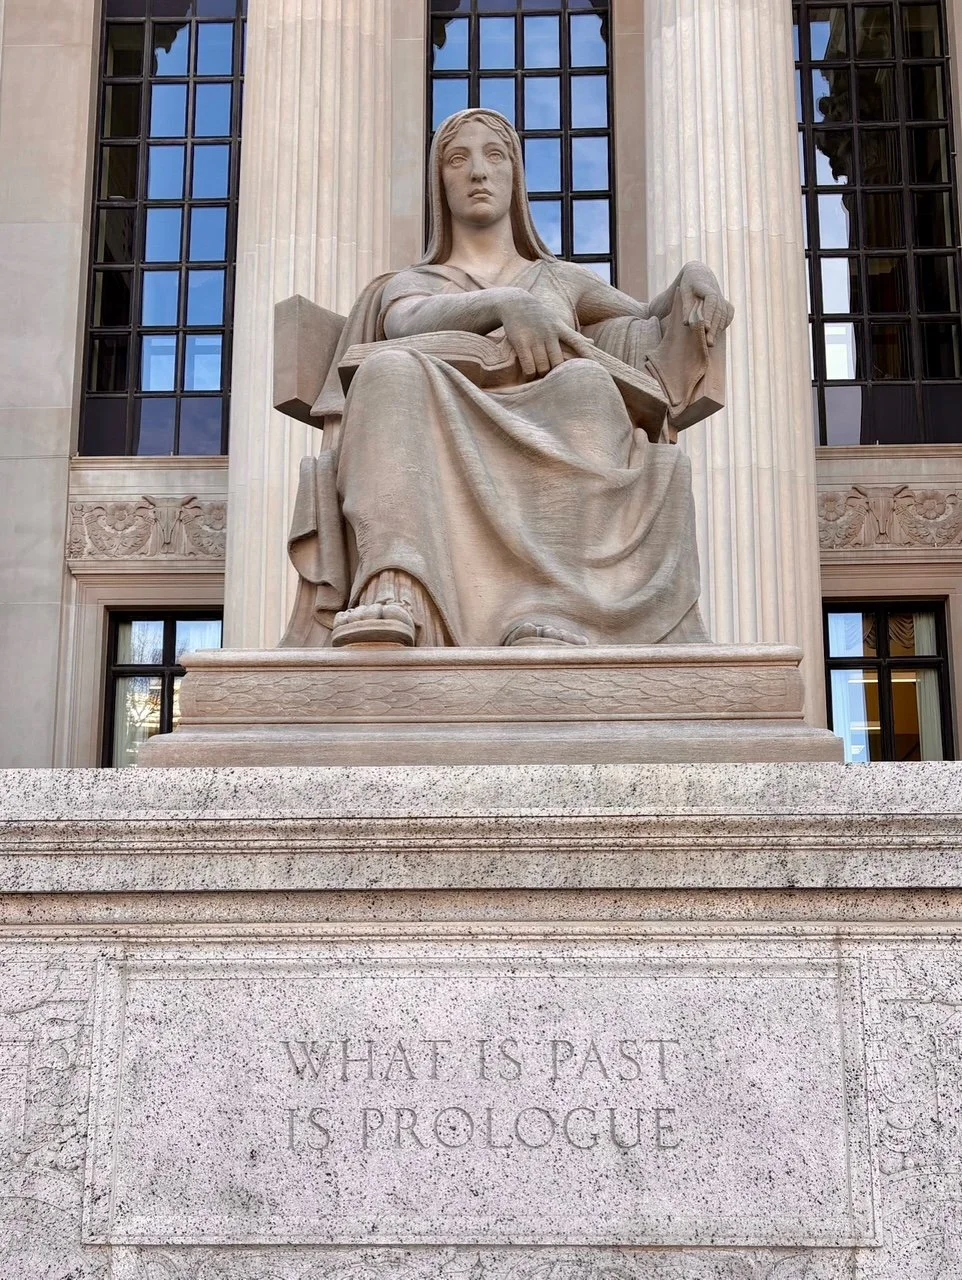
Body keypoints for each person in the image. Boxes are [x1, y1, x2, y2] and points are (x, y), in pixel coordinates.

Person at [281, 108, 733, 649]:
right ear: (439, 184)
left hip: (552, 418)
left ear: (515, 178)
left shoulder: (560, 278)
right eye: (457, 159)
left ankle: (558, 610)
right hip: (437, 416)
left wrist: (693, 278)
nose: (477, 171)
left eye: (494, 156)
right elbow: (404, 321)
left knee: (585, 386)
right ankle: (397, 587)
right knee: (388, 371)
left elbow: (649, 317)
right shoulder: (411, 281)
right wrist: (503, 305)